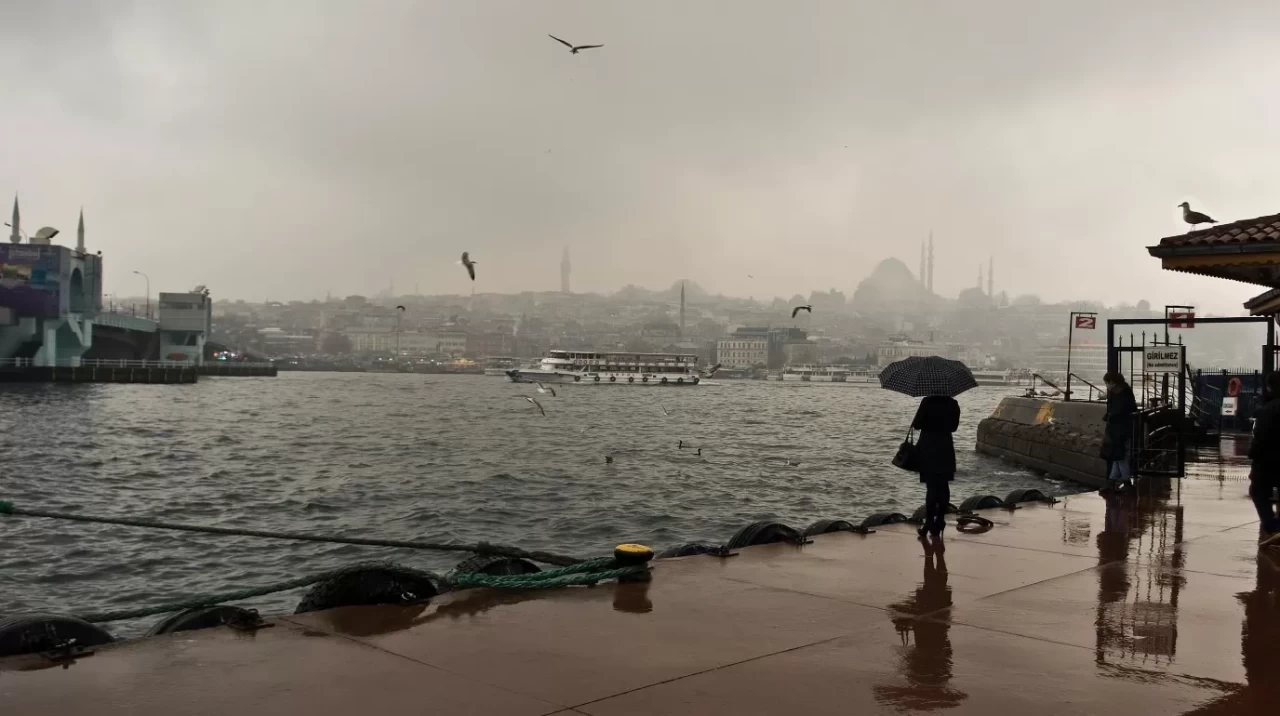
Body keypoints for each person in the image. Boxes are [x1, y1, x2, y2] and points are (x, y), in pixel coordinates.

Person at [912, 394, 960, 539]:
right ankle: (940, 520)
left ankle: (929, 523)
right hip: (945, 448)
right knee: (944, 486)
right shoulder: (953, 403)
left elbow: (917, 425)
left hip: (928, 448)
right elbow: (954, 427)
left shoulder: (927, 401)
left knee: (931, 487)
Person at [1249, 371, 1280, 545]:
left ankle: (1273, 527)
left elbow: (1260, 438)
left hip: (1268, 460)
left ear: (1269, 387)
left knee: (1257, 491)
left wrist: (1252, 454)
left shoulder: (1266, 411)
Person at [1102, 371, 1137, 491]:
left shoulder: (1117, 393)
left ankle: (1126, 482)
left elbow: (1117, 411)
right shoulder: (1126, 390)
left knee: (1121, 456)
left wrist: (1109, 416)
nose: (1107, 386)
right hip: (1125, 428)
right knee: (1118, 456)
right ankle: (1111, 482)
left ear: (1112, 382)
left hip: (1118, 430)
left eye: (1107, 383)